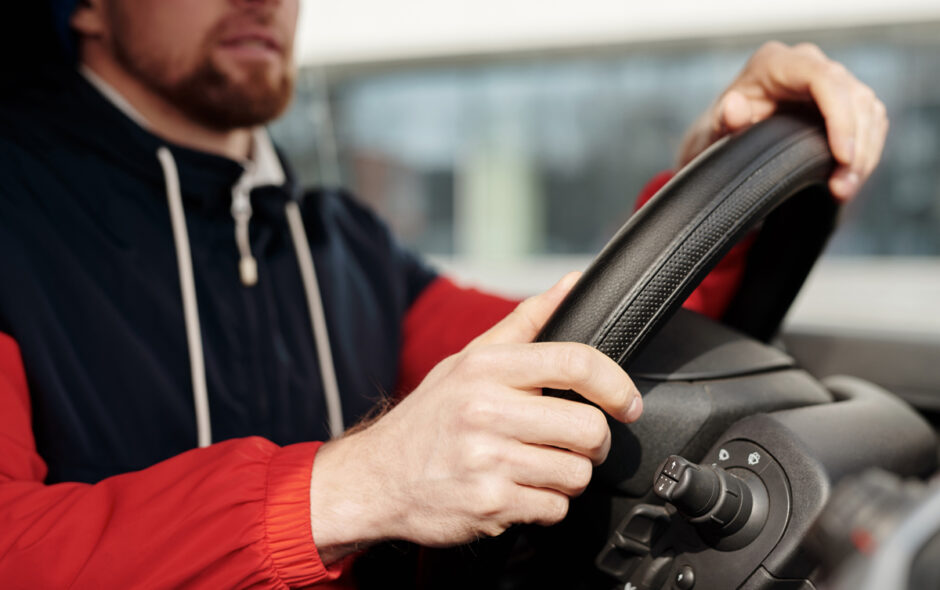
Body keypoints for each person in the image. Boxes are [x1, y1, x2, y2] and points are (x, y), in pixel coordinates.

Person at [0, 0, 888, 587]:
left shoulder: (343, 240)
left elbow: (589, 360)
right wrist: (353, 486)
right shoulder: (19, 217)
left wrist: (714, 179)